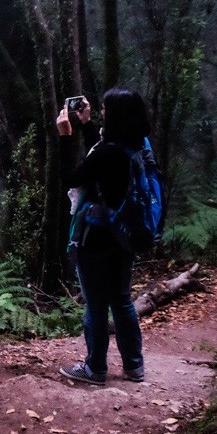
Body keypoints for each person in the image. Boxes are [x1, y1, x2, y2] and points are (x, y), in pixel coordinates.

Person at [55, 86, 149, 385]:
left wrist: (66, 136)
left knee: (96, 303)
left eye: (106, 110)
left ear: (117, 116)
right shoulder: (138, 146)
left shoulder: (108, 153)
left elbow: (72, 177)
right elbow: (103, 161)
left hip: (96, 237)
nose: (102, 113)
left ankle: (95, 368)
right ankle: (134, 367)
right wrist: (86, 125)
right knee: (122, 299)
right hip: (125, 235)